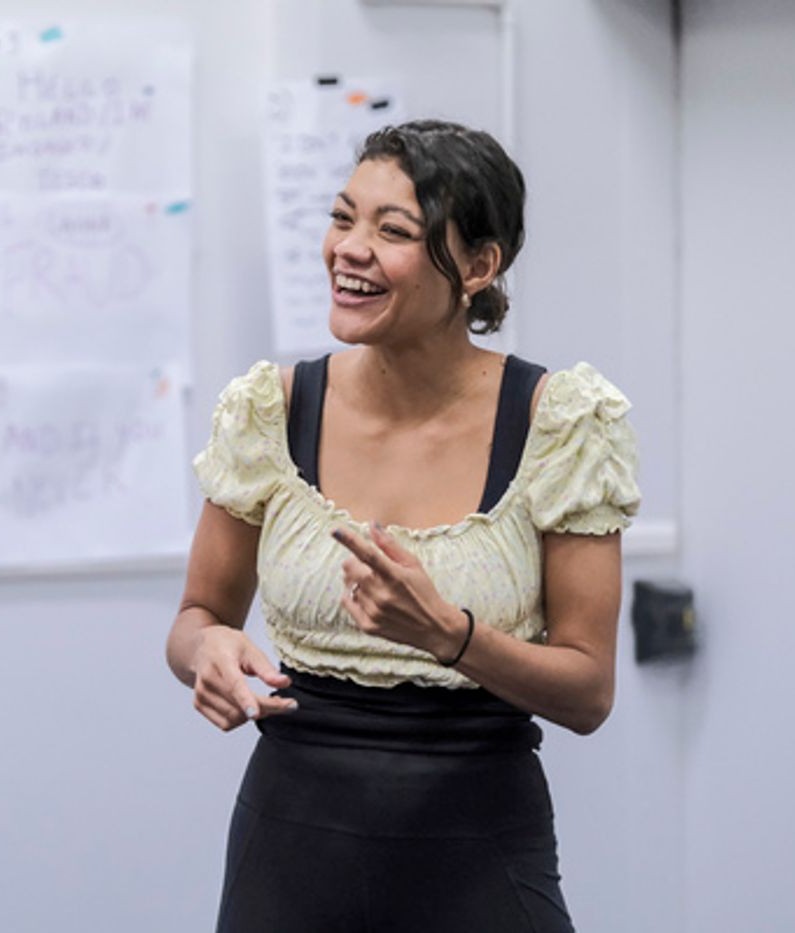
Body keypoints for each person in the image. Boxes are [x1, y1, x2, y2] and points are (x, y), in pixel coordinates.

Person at [165, 119, 641, 932]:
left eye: (393, 231)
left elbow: (588, 691)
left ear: (479, 267)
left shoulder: (558, 422)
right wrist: (206, 650)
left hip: (480, 851)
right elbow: (196, 618)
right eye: (343, 216)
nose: (350, 248)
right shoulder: (270, 411)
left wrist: (450, 635)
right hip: (288, 852)